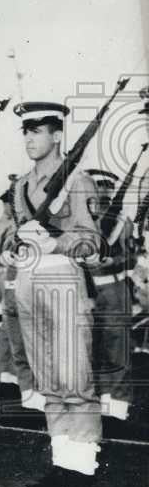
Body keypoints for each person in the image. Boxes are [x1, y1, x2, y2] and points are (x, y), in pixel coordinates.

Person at [4, 101, 102, 487]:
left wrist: (56, 240)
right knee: (49, 382)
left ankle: (83, 472)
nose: (29, 138)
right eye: (25, 131)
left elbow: (94, 243)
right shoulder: (21, 184)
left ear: (58, 134)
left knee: (75, 380)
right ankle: (63, 466)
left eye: (38, 130)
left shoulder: (77, 181)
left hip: (62, 277)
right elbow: (12, 233)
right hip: (29, 281)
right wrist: (13, 249)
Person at [85, 168, 136, 436]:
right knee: (92, 349)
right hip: (88, 291)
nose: (102, 191)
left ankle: (117, 409)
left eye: (107, 186)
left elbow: (133, 257)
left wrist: (111, 260)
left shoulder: (121, 222)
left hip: (113, 288)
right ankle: (98, 404)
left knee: (117, 349)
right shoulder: (82, 219)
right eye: (98, 185)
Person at [0, 177, 41, 429]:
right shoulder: (12, 225)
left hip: (11, 283)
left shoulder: (6, 224)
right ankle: (27, 401)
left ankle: (18, 398)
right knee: (23, 346)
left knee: (13, 345)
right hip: (16, 283)